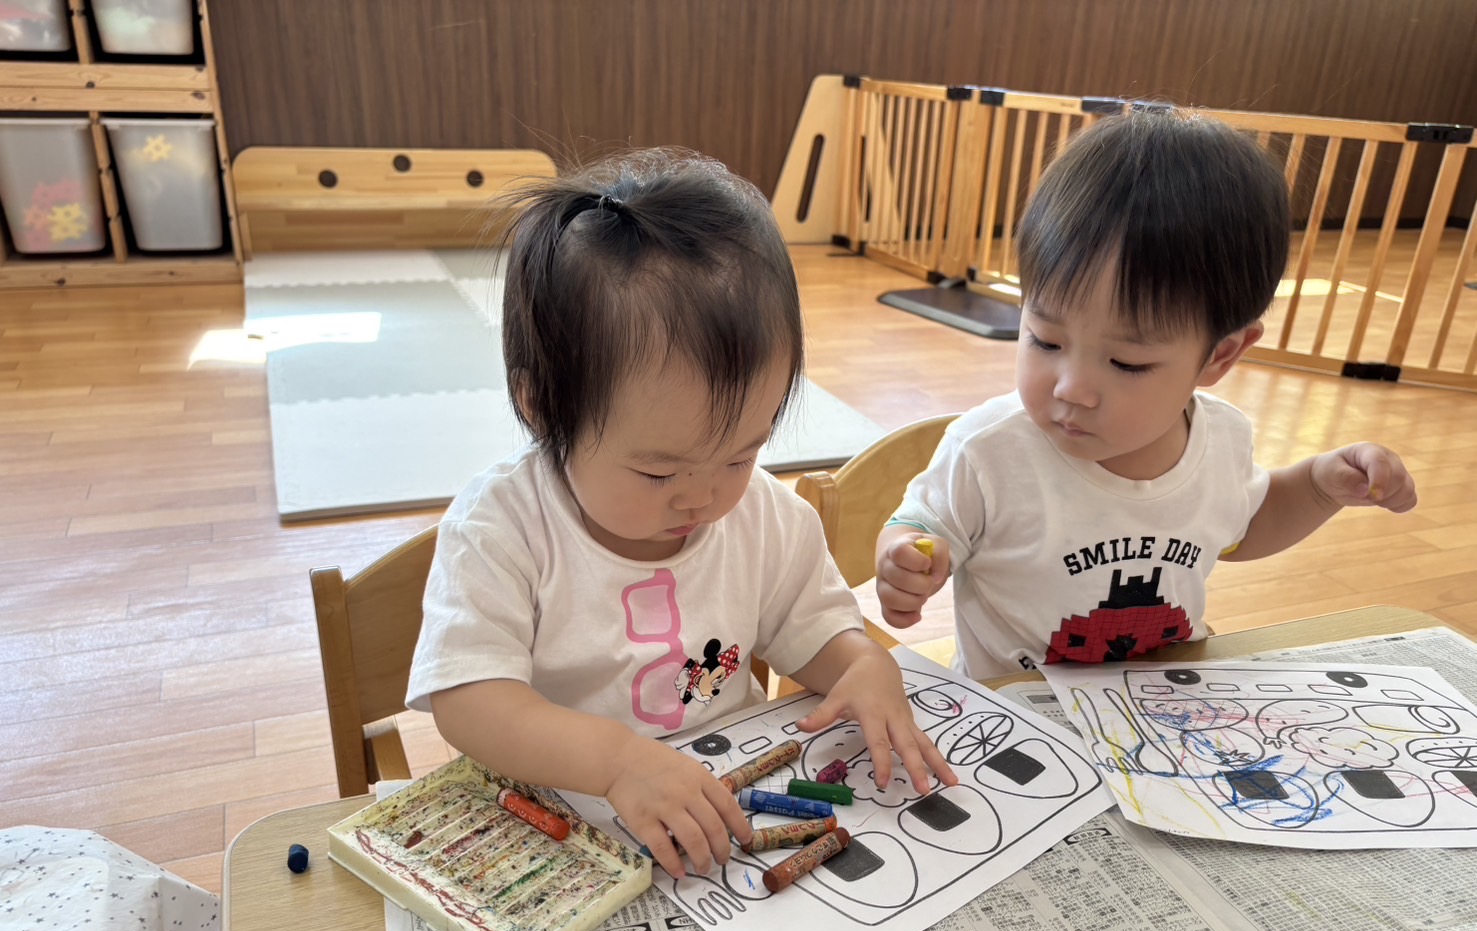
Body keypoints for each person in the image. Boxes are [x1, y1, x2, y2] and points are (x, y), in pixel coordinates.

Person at [408, 148, 957, 880]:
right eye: (659, 471)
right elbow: (469, 702)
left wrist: (862, 664)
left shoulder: (764, 519)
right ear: (542, 407)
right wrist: (615, 762)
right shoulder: (502, 529)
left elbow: (813, 631)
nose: (702, 497)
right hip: (562, 833)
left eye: (741, 454)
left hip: (719, 830)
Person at [875, 109, 1417, 679]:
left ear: (1221, 355)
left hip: (1167, 699)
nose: (1072, 388)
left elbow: (1244, 526)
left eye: (1126, 363)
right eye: (1045, 340)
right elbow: (922, 528)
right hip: (1019, 709)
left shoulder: (1223, 441)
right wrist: (904, 556)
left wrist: (1318, 487)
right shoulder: (988, 450)